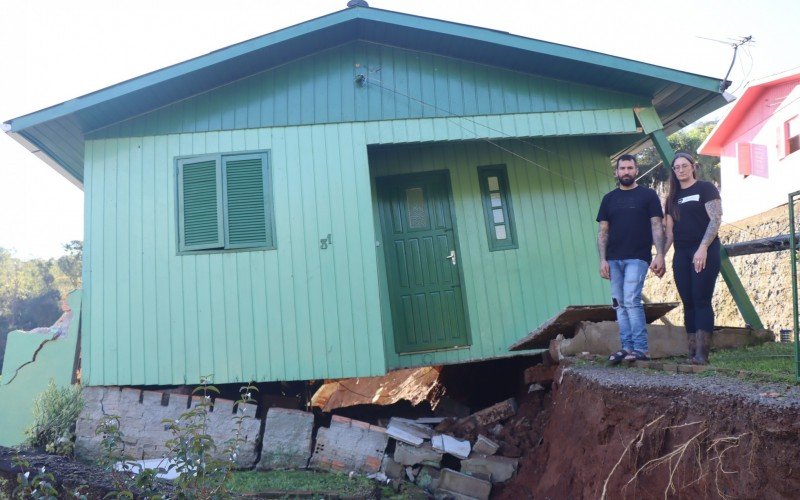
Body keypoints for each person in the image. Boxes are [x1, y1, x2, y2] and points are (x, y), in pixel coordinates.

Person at [597, 154, 665, 364]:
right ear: (616, 172)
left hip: (638, 257)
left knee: (631, 301)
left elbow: (657, 226)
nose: (626, 172)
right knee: (619, 304)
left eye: (629, 168)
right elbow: (603, 232)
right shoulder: (608, 199)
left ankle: (641, 349)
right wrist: (602, 260)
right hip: (613, 259)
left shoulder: (648, 195)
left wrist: (660, 254)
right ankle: (626, 348)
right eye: (622, 168)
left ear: (636, 170)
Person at [664, 152, 722, 365]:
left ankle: (702, 355)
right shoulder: (671, 198)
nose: (680, 170)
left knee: (701, 299)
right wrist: (660, 255)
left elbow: (715, 219)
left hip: (704, 251)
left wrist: (703, 247)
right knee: (688, 301)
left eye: (684, 165)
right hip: (681, 253)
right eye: (676, 167)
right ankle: (691, 353)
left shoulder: (705, 188)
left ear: (692, 167)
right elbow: (669, 233)